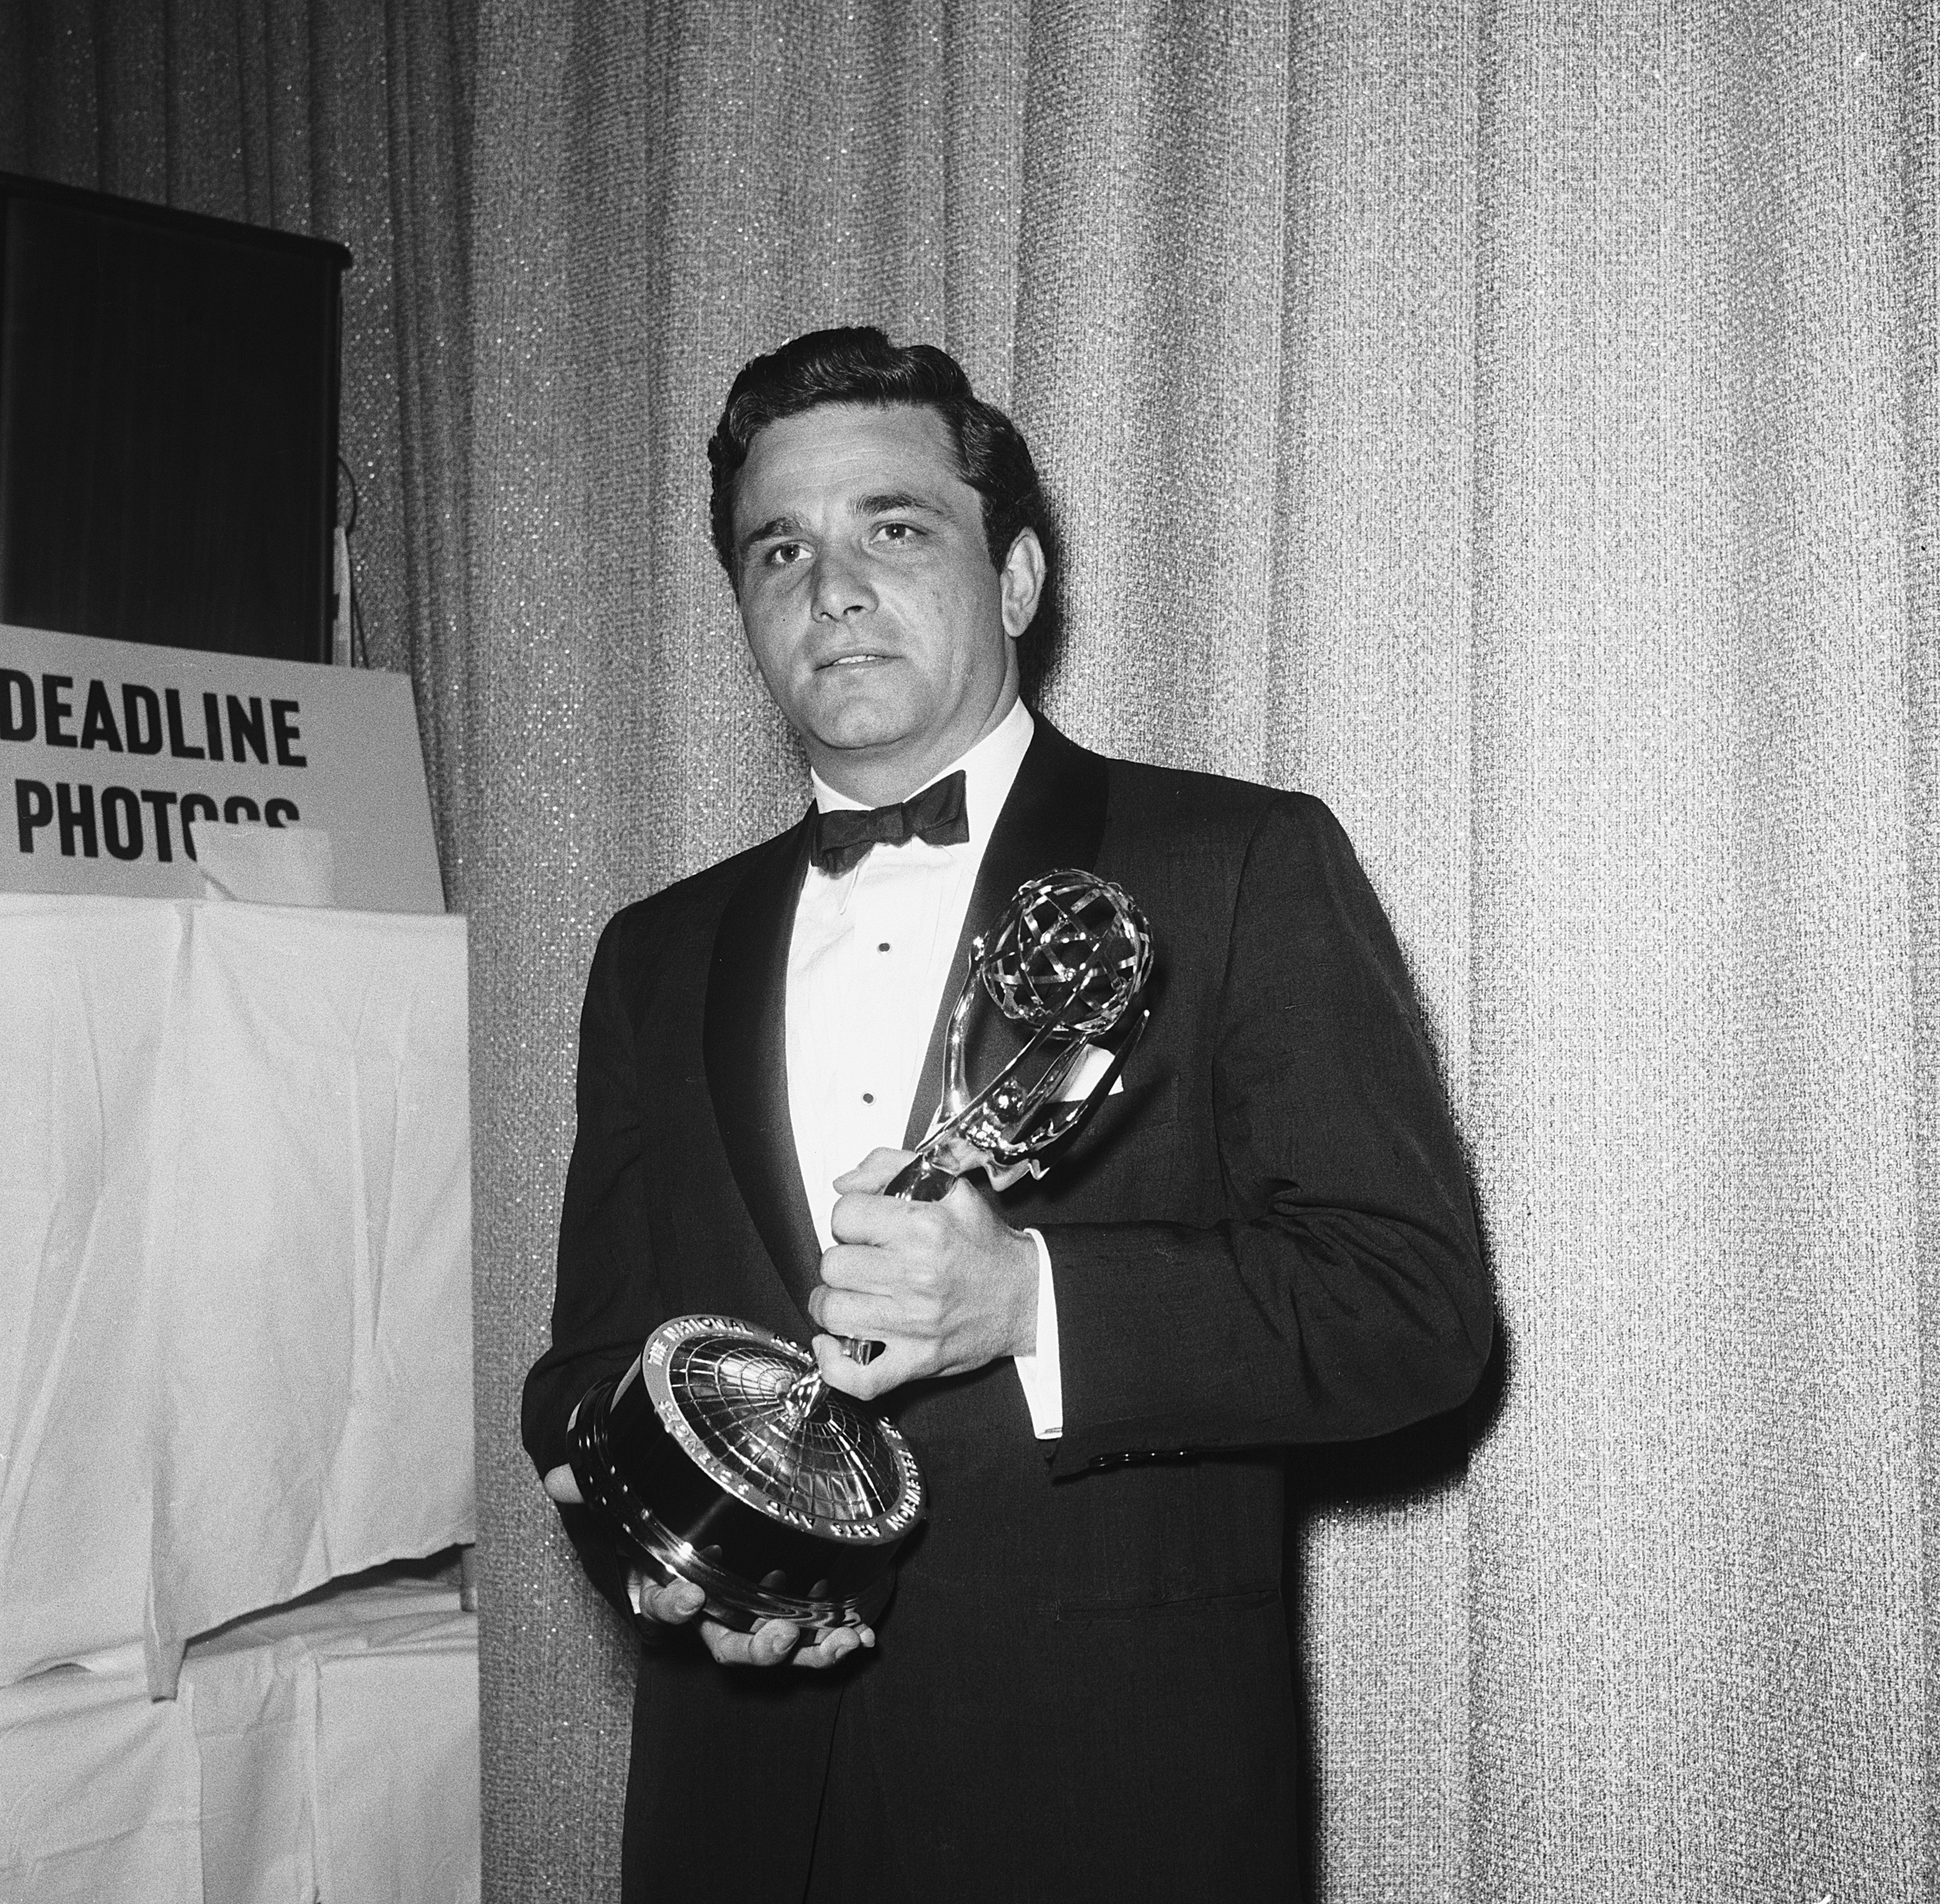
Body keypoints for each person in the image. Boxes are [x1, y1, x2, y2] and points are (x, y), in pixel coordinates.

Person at [523, 327, 1493, 1903]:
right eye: (782, 549)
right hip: (740, 1818)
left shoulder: (1241, 862)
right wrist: (676, 1564)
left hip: (1111, 1804)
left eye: (894, 528)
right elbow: (585, 1367)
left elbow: (1417, 1311)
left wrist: (1028, 1300)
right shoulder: (652, 952)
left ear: (1020, 578)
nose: (831, 586)